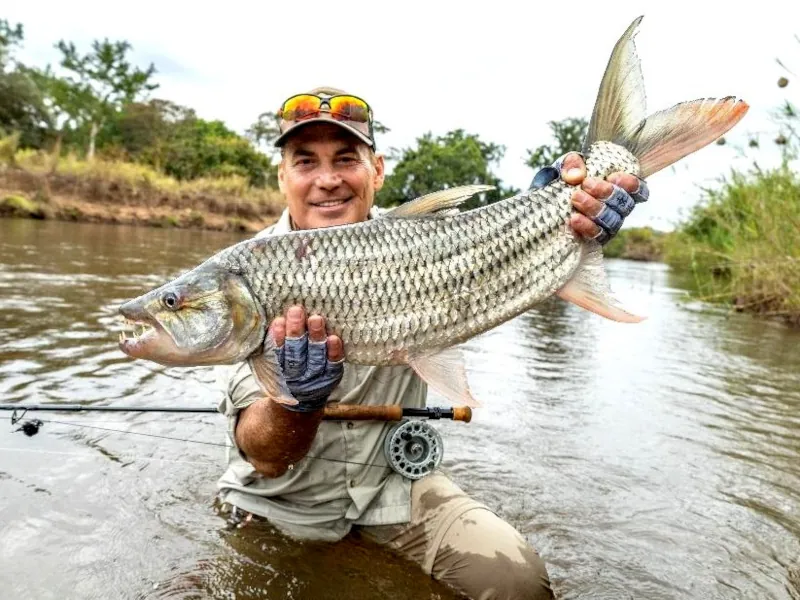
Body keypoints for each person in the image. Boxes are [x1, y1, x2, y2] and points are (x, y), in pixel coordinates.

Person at [215, 87, 649, 600]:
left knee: (518, 581)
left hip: (395, 488)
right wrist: (297, 399)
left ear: (376, 171)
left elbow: (495, 244)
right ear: (282, 176)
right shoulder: (244, 273)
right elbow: (263, 455)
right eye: (305, 161)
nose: (327, 179)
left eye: (346, 159)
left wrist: (559, 206)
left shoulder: (423, 236)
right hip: (279, 502)